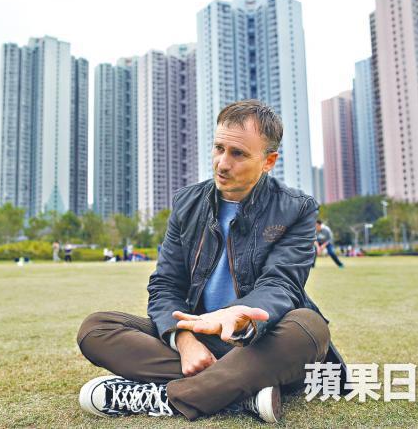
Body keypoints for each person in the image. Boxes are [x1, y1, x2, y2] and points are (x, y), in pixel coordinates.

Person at [77, 100, 347, 423]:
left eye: (238, 154)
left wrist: (238, 313)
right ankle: (241, 392)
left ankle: (166, 397)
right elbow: (166, 285)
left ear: (268, 161)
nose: (222, 163)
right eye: (219, 148)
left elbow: (282, 284)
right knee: (96, 329)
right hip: (201, 337)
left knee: (310, 329)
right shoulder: (187, 204)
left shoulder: (297, 209)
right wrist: (183, 340)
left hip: (261, 341)